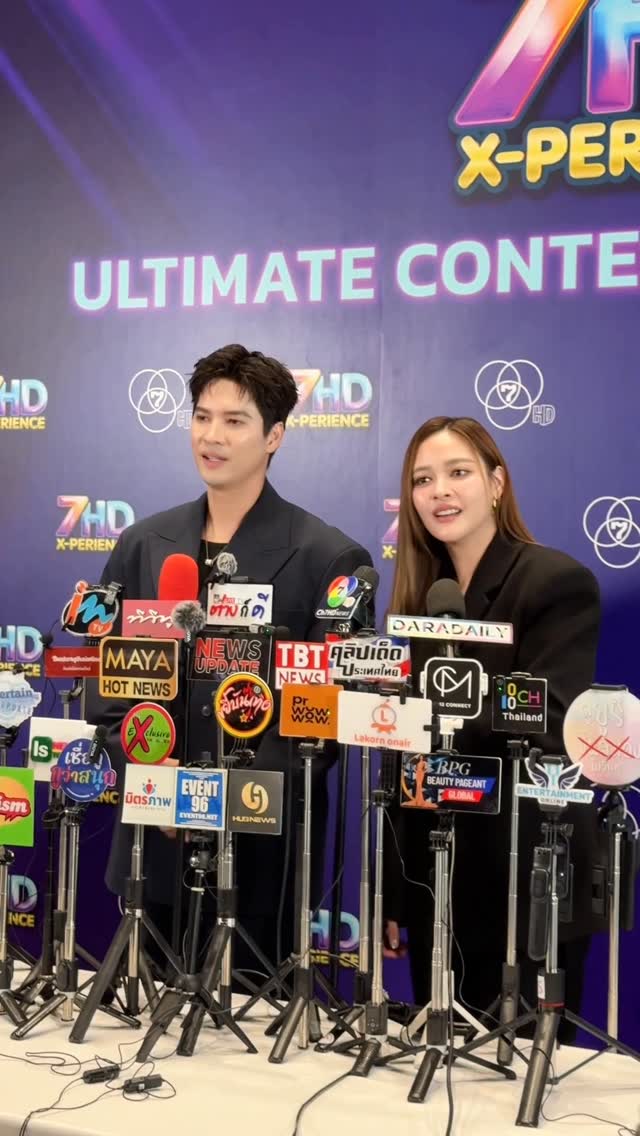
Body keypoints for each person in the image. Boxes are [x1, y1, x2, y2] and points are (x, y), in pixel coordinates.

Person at [87, 343, 373, 972]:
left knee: (246, 1030)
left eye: (235, 421)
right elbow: (108, 680)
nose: (211, 436)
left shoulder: (329, 557)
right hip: (150, 843)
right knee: (144, 1016)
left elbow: (322, 715)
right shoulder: (144, 544)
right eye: (202, 417)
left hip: (260, 855)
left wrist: (219, 799)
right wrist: (154, 777)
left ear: (274, 436)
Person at [383, 416, 601, 1033]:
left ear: (497, 484)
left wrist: (435, 712)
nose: (440, 492)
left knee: (522, 1070)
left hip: (526, 878)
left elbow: (552, 717)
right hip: (438, 881)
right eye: (423, 480)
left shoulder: (555, 581)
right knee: (439, 1065)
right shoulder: (426, 599)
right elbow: (408, 756)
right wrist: (398, 889)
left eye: (458, 473)